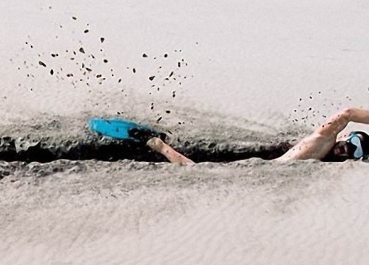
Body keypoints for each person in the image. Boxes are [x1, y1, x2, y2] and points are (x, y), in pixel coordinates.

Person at [142, 107, 369, 165]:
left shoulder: (330, 161)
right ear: (345, 136)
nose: (347, 150)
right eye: (353, 143)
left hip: (262, 163)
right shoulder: (322, 142)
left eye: (355, 153)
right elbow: (347, 113)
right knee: (193, 169)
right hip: (265, 165)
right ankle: (155, 143)